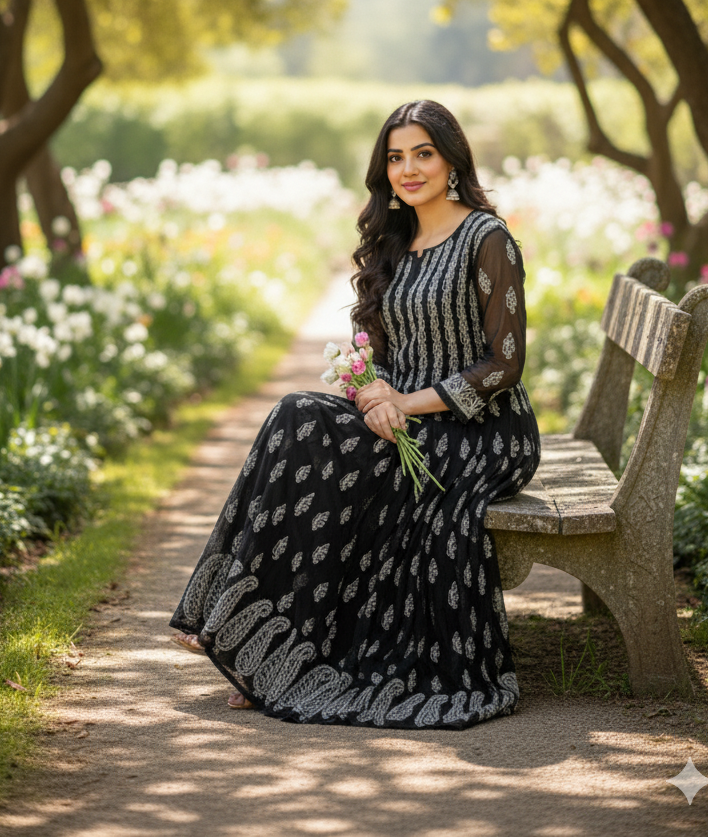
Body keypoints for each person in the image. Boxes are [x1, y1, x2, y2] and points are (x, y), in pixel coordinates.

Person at [169, 99, 540, 727]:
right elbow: (383, 354)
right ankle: (265, 649)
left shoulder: (487, 237)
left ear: (452, 159)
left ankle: (276, 650)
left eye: (423, 153)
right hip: (406, 413)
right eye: (396, 158)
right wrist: (371, 392)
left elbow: (503, 366)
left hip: (482, 427)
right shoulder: (398, 240)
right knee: (297, 420)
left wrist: (404, 402)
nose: (409, 169)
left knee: (351, 469)